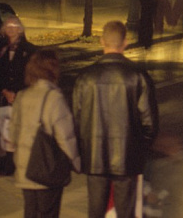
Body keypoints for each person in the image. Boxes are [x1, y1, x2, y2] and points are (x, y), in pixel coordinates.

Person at [74, 21, 159, 218]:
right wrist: (138, 149)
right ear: (125, 42)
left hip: (95, 157)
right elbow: (150, 124)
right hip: (127, 157)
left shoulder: (85, 78)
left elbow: (77, 123)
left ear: (102, 41)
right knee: (126, 213)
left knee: (95, 211)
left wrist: (84, 150)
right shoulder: (138, 76)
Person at [11, 49, 80, 218]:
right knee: (48, 212)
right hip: (47, 169)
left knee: (31, 212)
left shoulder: (22, 96)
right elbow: (65, 136)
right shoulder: (54, 98)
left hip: (25, 168)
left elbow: (13, 134)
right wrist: (76, 162)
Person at [0, 15, 36, 175]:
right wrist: (4, 91)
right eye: (8, 26)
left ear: (20, 29)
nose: (11, 29)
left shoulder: (29, 50)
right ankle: (10, 162)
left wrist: (18, 93)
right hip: (6, 97)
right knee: (7, 130)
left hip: (22, 96)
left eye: (14, 26)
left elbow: (30, 75)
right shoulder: (0, 50)